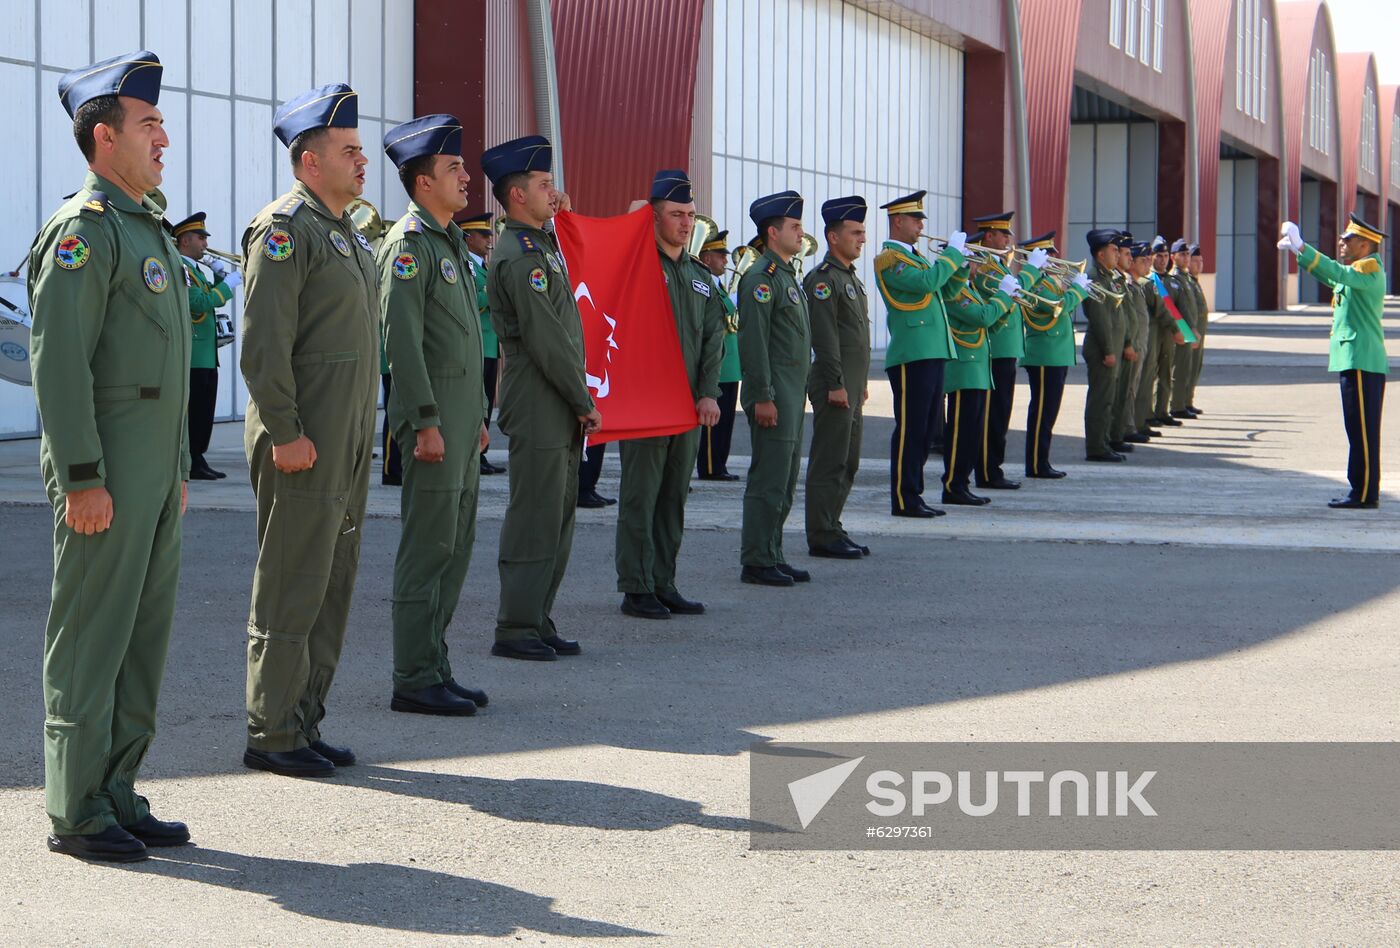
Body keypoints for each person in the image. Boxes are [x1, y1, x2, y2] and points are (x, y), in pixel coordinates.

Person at [29, 49, 192, 862]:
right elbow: (59, 367)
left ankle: (118, 787)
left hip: (155, 474)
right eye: (148, 123)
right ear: (104, 138)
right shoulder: (82, 234)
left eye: (160, 121)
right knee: (93, 632)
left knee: (140, 634)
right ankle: (75, 801)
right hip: (106, 474)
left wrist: (179, 473)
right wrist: (83, 478)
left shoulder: (146, 226)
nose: (163, 135)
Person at [240, 83, 379, 778]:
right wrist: (286, 429)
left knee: (331, 578)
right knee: (292, 578)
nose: (362, 162)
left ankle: (304, 718)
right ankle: (271, 729)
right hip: (302, 438)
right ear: (307, 162)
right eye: (348, 151)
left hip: (344, 438)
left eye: (360, 150)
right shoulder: (285, 229)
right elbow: (264, 345)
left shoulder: (344, 233)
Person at [378, 114, 491, 716]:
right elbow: (403, 341)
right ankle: (413, 674)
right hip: (431, 427)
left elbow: (462, 344)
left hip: (458, 423)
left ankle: (435, 664)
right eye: (454, 169)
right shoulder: (408, 246)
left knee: (455, 546)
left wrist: (473, 416)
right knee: (427, 548)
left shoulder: (448, 241)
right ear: (424, 182)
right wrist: (423, 420)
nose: (467, 176)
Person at [484, 135, 598, 658]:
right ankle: (516, 625)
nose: (555, 192)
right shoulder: (517, 254)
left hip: (558, 401)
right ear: (516, 196)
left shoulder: (542, 243)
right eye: (544, 184)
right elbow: (546, 337)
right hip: (541, 399)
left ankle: (538, 616)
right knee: (535, 515)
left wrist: (562, 217)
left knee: (558, 514)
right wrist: (581, 397)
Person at [616, 170, 725, 618]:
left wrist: (708, 393)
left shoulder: (699, 274)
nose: (685, 223)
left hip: (687, 404)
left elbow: (713, 335)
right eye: (676, 214)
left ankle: (664, 580)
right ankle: (635, 586)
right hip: (645, 402)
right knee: (641, 494)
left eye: (691, 215)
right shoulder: (636, 265)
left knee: (674, 494)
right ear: (654, 217)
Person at [1278, 214, 1388, 509]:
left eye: (1348, 239)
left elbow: (1338, 274)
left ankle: (1364, 493)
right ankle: (1361, 490)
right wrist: (1299, 252)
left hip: (1363, 360)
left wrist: (1304, 246)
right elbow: (1331, 276)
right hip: (1354, 359)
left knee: (1363, 432)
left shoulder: (1369, 269)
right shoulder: (1358, 270)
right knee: (1356, 429)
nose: (1341, 241)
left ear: (1365, 245)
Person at [873, 190, 966, 518]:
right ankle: (904, 497)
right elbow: (928, 283)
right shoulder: (890, 260)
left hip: (932, 350)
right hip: (912, 353)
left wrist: (962, 267)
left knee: (928, 429)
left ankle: (915, 494)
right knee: (912, 428)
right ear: (898, 221)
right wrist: (951, 257)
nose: (921, 224)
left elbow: (945, 291)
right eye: (916, 219)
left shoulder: (915, 257)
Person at [737, 190, 811, 586]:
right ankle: (757, 558)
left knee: (784, 478)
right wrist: (762, 395)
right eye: (795, 226)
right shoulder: (760, 279)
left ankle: (773, 551)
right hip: (774, 393)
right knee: (769, 478)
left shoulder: (786, 275)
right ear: (772, 231)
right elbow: (754, 344)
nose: (802, 233)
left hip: (791, 393)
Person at [804, 196, 872, 559]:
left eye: (863, 232)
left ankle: (833, 524)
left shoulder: (850, 279)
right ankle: (820, 533)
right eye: (855, 232)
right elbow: (825, 338)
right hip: (834, 385)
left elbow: (857, 340)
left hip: (850, 386)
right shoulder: (823, 280)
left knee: (849, 460)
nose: (862, 238)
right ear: (834, 237)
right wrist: (835, 384)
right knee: (829, 459)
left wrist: (858, 385)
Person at [968, 211, 1047, 490]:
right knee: (993, 415)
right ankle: (988, 471)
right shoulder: (986, 266)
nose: (1008, 240)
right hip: (995, 350)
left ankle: (993, 468)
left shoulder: (997, 266)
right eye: (1003, 234)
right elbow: (1016, 293)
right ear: (989, 236)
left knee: (1001, 413)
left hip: (1006, 349)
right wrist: (1032, 270)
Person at [941, 258, 1021, 505]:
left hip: (977, 369)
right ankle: (953, 486)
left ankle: (961, 484)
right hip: (964, 370)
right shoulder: (954, 292)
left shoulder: (971, 289)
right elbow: (982, 317)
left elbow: (987, 328)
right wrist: (1003, 298)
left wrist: (1007, 304)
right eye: (971, 262)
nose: (976, 268)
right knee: (960, 433)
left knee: (972, 433)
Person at [170, 211, 239, 480]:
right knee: (195, 411)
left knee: (204, 410)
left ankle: (198, 457)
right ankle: (192, 459)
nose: (205, 244)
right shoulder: (181, 267)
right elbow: (199, 302)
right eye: (200, 238)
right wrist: (228, 285)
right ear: (185, 240)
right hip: (192, 354)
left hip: (206, 353)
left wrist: (221, 277)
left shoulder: (196, 269)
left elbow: (210, 295)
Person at [1018, 232, 1092, 478]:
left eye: (1051, 255)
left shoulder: (1051, 282)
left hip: (1055, 354)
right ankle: (1036, 464)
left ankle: (1042, 461)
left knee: (1049, 411)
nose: (1054, 260)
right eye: (1048, 255)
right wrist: (1078, 291)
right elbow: (1057, 308)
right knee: (1041, 411)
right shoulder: (1038, 284)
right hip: (1043, 355)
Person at [459, 212, 504, 475]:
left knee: (486, 401)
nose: (489, 239)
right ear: (468, 238)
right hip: (477, 344)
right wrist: (491, 292)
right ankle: (474, 456)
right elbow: (471, 299)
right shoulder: (465, 264)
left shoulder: (484, 267)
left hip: (490, 343)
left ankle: (482, 455)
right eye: (483, 235)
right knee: (477, 401)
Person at [697, 226, 743, 481]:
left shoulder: (720, 285)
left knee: (725, 422)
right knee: (713, 424)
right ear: (706, 258)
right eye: (720, 255)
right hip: (719, 365)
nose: (726, 260)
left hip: (730, 364)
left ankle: (720, 464)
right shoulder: (708, 284)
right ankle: (711, 466)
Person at [1082, 229, 1128, 462]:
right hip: (1102, 348)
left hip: (1114, 347)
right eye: (1113, 250)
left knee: (1109, 397)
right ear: (1100, 254)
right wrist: (1109, 351)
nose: (1118, 254)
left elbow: (1120, 318)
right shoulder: (1095, 279)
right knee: (1100, 399)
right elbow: (1100, 319)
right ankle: (1096, 447)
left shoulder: (1111, 277)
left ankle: (1105, 441)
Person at [1108, 236, 1146, 454]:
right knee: (1111, 396)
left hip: (1136, 341)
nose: (1130, 259)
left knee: (1130, 389)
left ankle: (1122, 430)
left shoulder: (1132, 282)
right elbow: (1106, 318)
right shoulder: (1112, 280)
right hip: (1119, 346)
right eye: (1126, 254)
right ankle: (1108, 439)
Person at [1146, 237, 1188, 427]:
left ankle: (1162, 410)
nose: (1163, 260)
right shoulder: (1149, 279)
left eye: (1164, 256)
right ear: (1152, 257)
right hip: (1154, 330)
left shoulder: (1172, 281)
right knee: (1150, 372)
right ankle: (1147, 413)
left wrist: (1183, 331)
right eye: (1158, 256)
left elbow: (1180, 308)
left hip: (1169, 332)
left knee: (1166, 370)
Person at [1167, 238, 1202, 419]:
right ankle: (1177, 405)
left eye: (1188, 254)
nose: (1186, 258)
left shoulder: (1185, 278)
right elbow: (1173, 308)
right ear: (1173, 257)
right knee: (1179, 369)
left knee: (1188, 368)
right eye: (1182, 254)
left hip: (1190, 330)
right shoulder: (1173, 279)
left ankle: (1184, 402)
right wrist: (1184, 331)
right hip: (1182, 331)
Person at [1184, 243, 1209, 414]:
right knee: (1186, 368)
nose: (1199, 264)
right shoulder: (1185, 282)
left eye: (1201, 261)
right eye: (1195, 261)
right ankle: (1181, 402)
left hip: (1199, 333)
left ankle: (1188, 400)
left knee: (1195, 367)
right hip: (1190, 333)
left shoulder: (1194, 282)